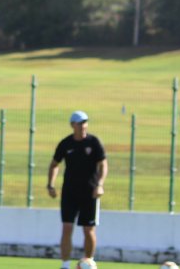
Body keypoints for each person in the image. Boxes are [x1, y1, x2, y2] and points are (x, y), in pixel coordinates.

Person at [46, 110, 107, 269]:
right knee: (67, 228)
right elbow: (54, 165)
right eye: (80, 123)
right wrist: (51, 184)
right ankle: (65, 265)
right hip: (70, 193)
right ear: (73, 125)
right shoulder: (66, 144)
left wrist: (100, 184)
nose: (83, 126)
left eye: (85, 123)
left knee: (89, 230)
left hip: (90, 192)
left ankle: (89, 262)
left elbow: (103, 164)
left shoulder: (94, 143)